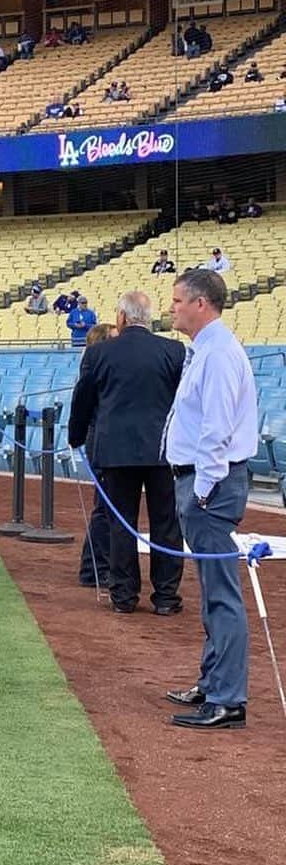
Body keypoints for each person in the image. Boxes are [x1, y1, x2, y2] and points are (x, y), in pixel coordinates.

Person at [165, 269, 257, 729]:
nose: (172, 308)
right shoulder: (206, 351)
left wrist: (201, 490)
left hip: (210, 487)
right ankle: (213, 682)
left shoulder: (219, 354)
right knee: (211, 591)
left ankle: (228, 699)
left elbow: (217, 431)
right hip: (204, 485)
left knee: (221, 593)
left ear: (201, 304)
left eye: (178, 300)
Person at [69, 292, 185, 614]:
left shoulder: (100, 353)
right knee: (166, 523)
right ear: (148, 318)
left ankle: (123, 596)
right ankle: (165, 597)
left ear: (121, 317)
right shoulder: (173, 351)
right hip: (163, 451)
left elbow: (84, 398)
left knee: (121, 523)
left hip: (116, 452)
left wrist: (75, 436)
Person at [72, 323, 117, 589]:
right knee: (104, 508)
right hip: (98, 437)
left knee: (105, 507)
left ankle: (94, 567)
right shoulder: (97, 369)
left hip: (100, 435)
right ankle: (94, 568)